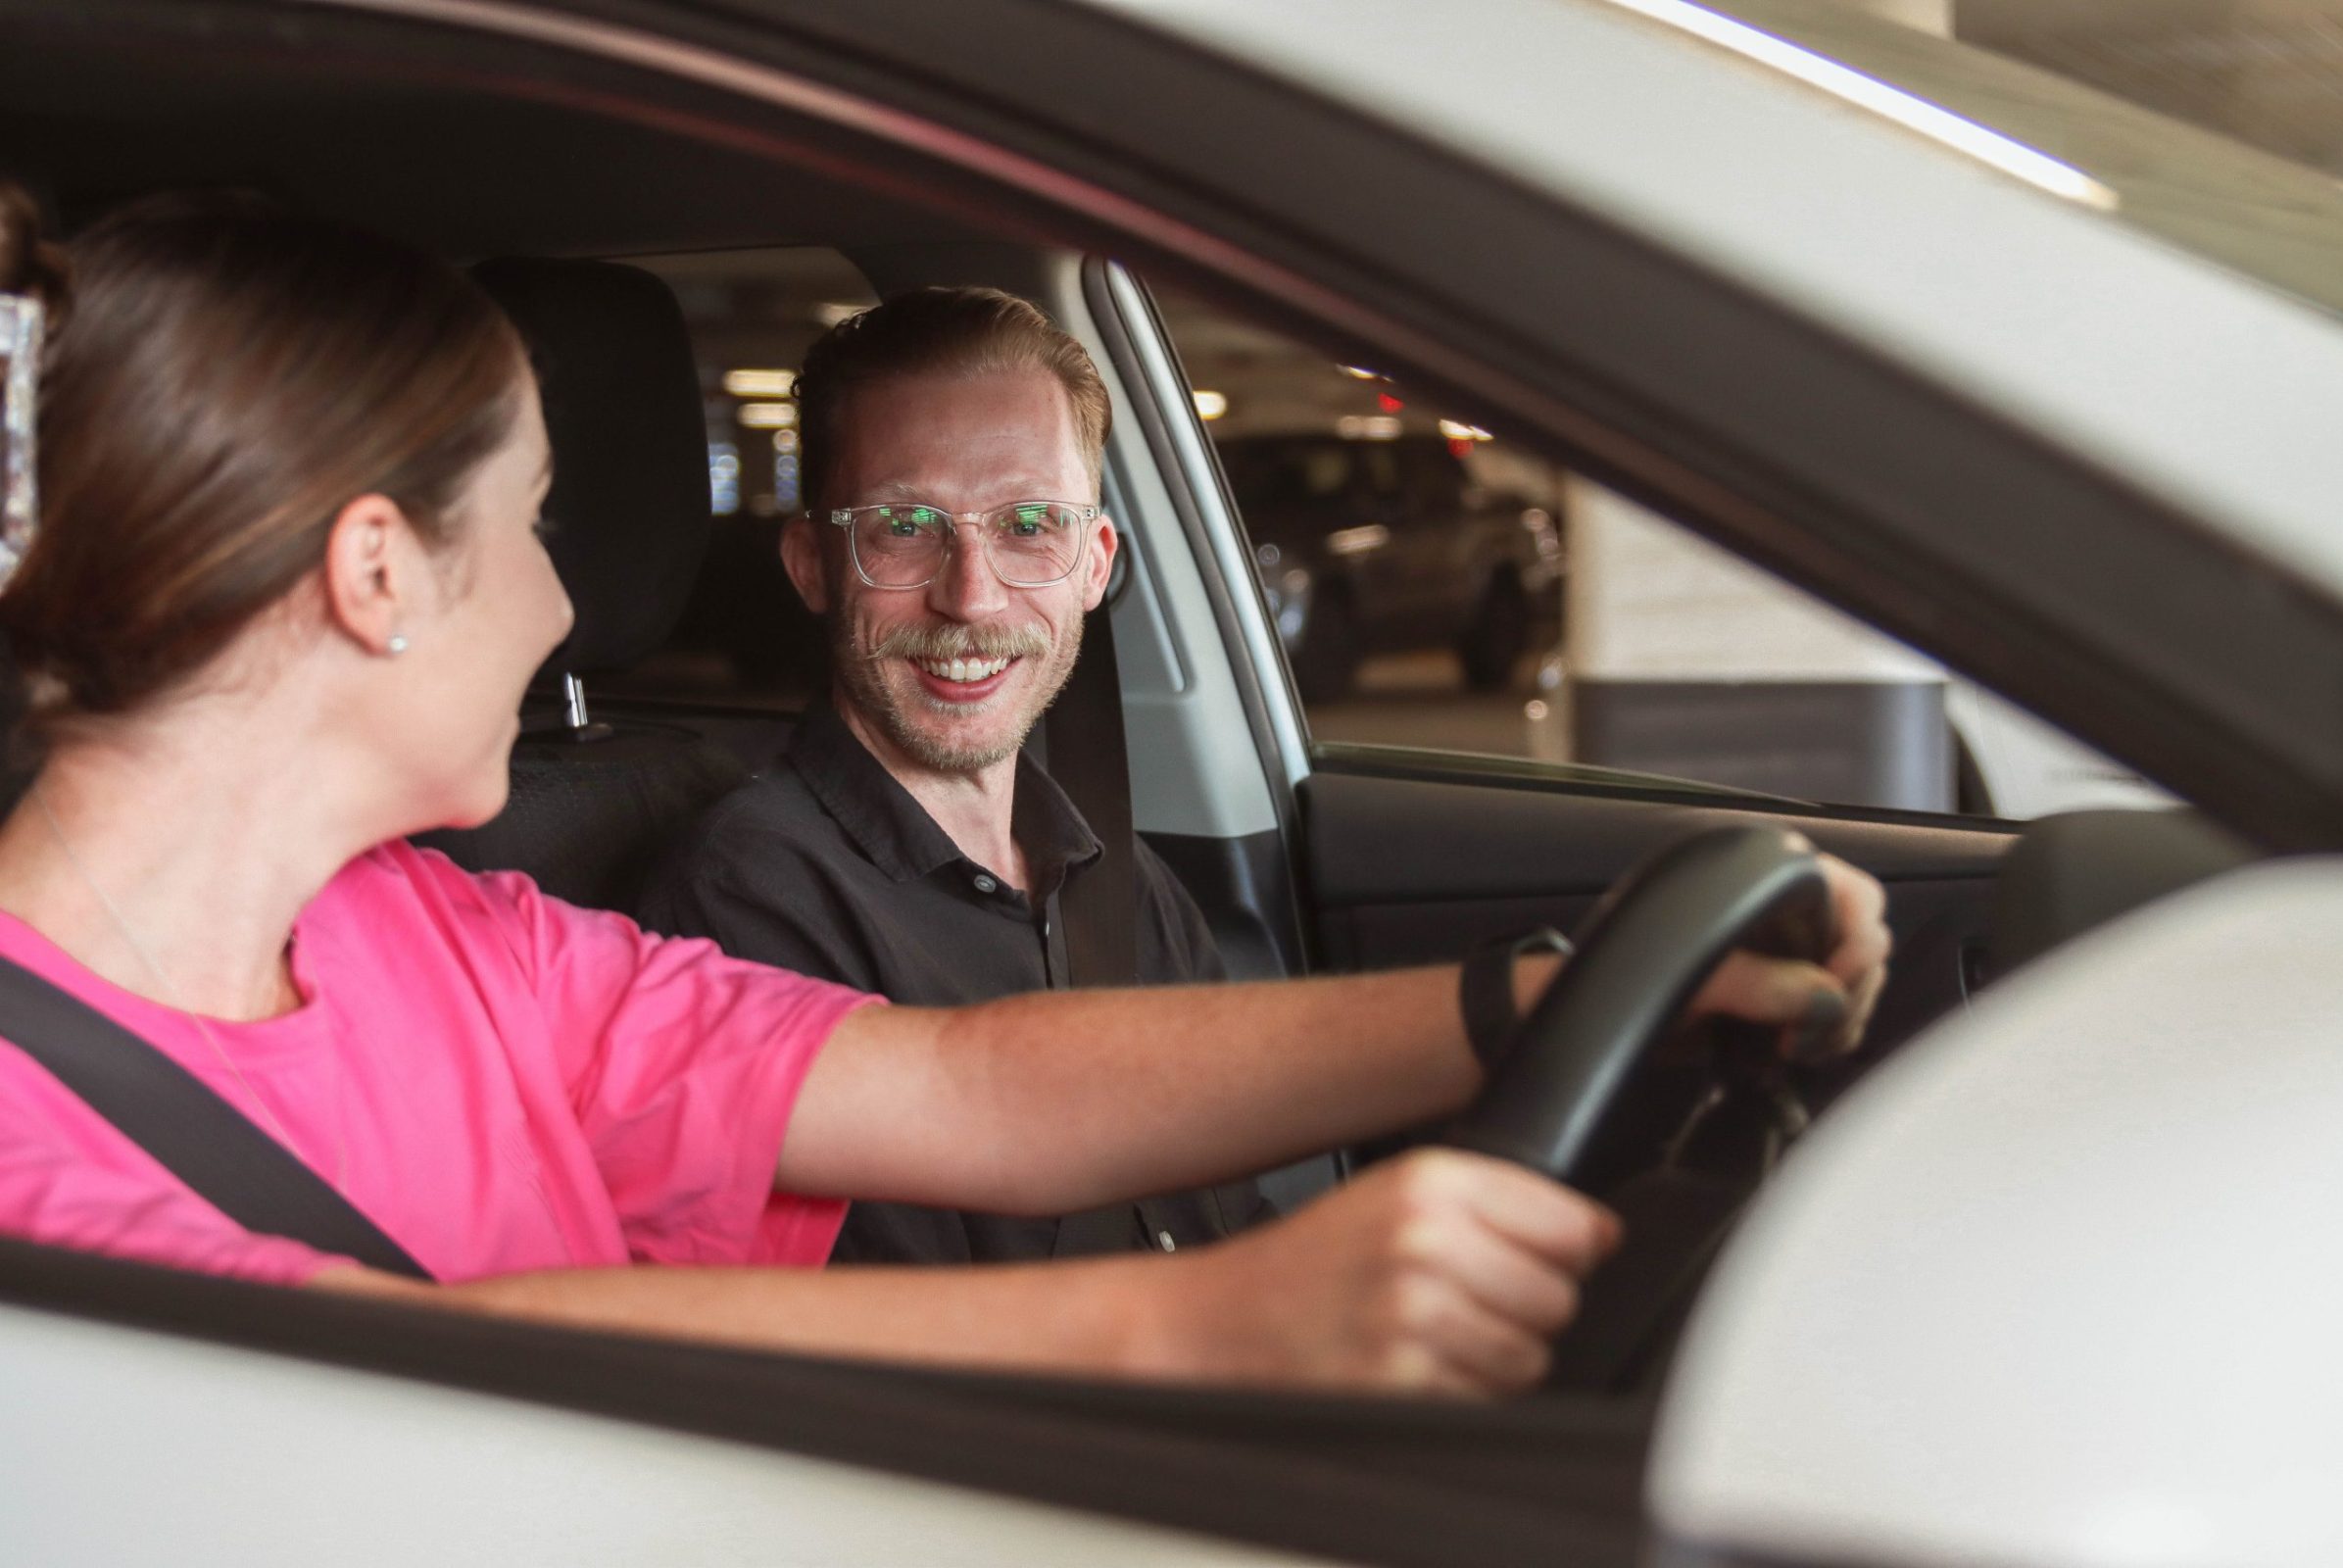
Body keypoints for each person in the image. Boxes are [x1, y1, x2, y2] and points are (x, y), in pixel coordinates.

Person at [0, 185, 1889, 1396]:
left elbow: (965, 1080)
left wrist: (1543, 996)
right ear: (378, 574)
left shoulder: (433, 932)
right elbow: (389, 1383)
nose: (577, 599)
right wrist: (1206, 1329)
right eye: (526, 529)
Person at [640, 288, 1278, 1268]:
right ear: (814, 565)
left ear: (1095, 564)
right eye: (904, 525)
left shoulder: (1122, 882)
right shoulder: (751, 904)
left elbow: (1239, 1224)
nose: (970, 596)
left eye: (1029, 523)